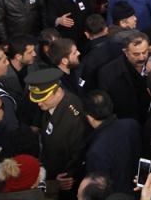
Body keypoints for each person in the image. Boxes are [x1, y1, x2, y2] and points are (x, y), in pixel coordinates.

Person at [25, 67, 88, 200]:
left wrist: (66, 176)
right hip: (52, 173)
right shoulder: (51, 106)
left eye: (43, 98)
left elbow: (78, 152)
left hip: (65, 183)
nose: (39, 103)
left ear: (57, 91)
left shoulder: (73, 116)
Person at [83, 89, 142, 196]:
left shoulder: (96, 152)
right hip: (137, 192)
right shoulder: (132, 125)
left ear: (89, 117)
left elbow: (98, 190)